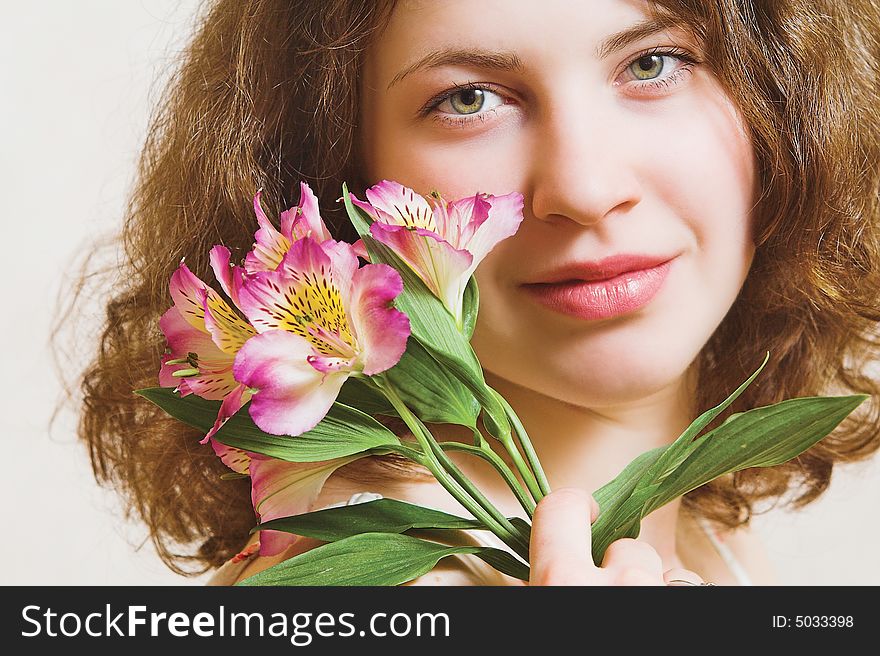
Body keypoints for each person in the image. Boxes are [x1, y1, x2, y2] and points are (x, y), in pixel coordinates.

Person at [68, 0, 880, 586]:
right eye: (468, 99)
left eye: (651, 63)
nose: (585, 189)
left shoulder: (706, 540)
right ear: (333, 174)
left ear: (791, 104)